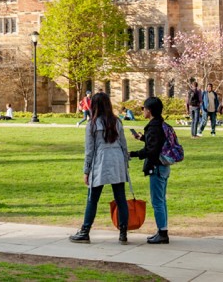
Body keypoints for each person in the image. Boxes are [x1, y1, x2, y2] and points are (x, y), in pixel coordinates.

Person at [69, 92, 130, 245]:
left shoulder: (93, 124)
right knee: (120, 198)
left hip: (101, 160)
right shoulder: (117, 122)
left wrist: (86, 170)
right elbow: (123, 145)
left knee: (92, 199)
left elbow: (89, 150)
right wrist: (125, 165)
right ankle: (123, 232)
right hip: (116, 160)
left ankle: (85, 231)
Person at [129, 96, 170, 244]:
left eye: (144, 108)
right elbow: (156, 143)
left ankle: (163, 233)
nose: (143, 111)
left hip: (156, 167)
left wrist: (133, 154)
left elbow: (151, 150)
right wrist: (142, 138)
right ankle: (162, 230)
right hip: (164, 167)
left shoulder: (153, 127)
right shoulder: (160, 124)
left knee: (157, 201)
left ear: (150, 110)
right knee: (161, 200)